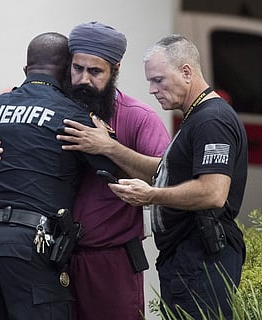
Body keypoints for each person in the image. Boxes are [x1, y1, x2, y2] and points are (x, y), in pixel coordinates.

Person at [0, 22, 171, 320]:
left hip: (108, 261)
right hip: (50, 255)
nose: (83, 80)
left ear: (115, 70)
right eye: (77, 69)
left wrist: (110, 147)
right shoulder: (62, 110)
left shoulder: (138, 117)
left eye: (95, 72)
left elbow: (166, 176)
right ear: (66, 69)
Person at [0, 32, 117, 320]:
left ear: (26, 70)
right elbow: (114, 174)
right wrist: (109, 143)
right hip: (29, 246)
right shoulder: (72, 115)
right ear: (67, 71)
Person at [109, 34, 248, 320]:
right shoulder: (197, 116)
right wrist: (109, 148)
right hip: (187, 257)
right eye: (150, 81)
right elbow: (165, 170)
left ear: (186, 71)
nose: (152, 89)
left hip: (202, 258)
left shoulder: (213, 120)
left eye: (158, 80)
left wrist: (150, 195)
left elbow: (213, 192)